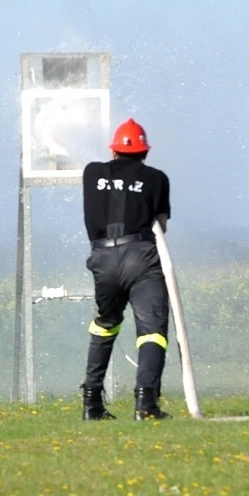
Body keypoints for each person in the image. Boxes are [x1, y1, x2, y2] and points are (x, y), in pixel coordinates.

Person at [78, 119, 174, 421]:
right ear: (145, 151)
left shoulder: (92, 172)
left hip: (102, 258)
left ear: (115, 150)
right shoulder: (157, 178)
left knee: (105, 324)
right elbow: (162, 227)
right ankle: (146, 404)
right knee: (152, 331)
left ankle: (91, 402)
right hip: (141, 258)